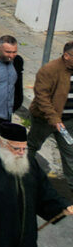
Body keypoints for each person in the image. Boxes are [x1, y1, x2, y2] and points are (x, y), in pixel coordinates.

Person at [27, 40, 73, 182]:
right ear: (67, 56)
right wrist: (54, 120)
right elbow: (42, 97)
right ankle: (21, 177)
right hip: (45, 120)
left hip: (68, 122)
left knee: (70, 154)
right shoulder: (49, 70)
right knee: (31, 147)